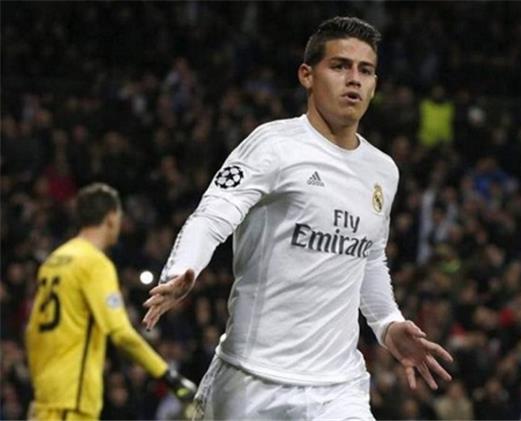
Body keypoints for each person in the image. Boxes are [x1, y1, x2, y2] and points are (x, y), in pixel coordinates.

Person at [142, 16, 453, 420]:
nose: (354, 80)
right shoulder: (273, 145)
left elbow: (369, 257)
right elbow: (212, 215)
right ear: (307, 75)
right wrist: (182, 269)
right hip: (251, 381)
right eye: (339, 66)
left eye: (365, 70)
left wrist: (388, 324)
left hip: (338, 388)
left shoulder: (382, 170)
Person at [25, 183, 196, 420]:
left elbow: (33, 332)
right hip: (72, 400)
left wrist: (40, 391)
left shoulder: (53, 261)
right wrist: (168, 376)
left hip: (47, 397)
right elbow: (120, 333)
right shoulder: (95, 263)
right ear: (111, 218)